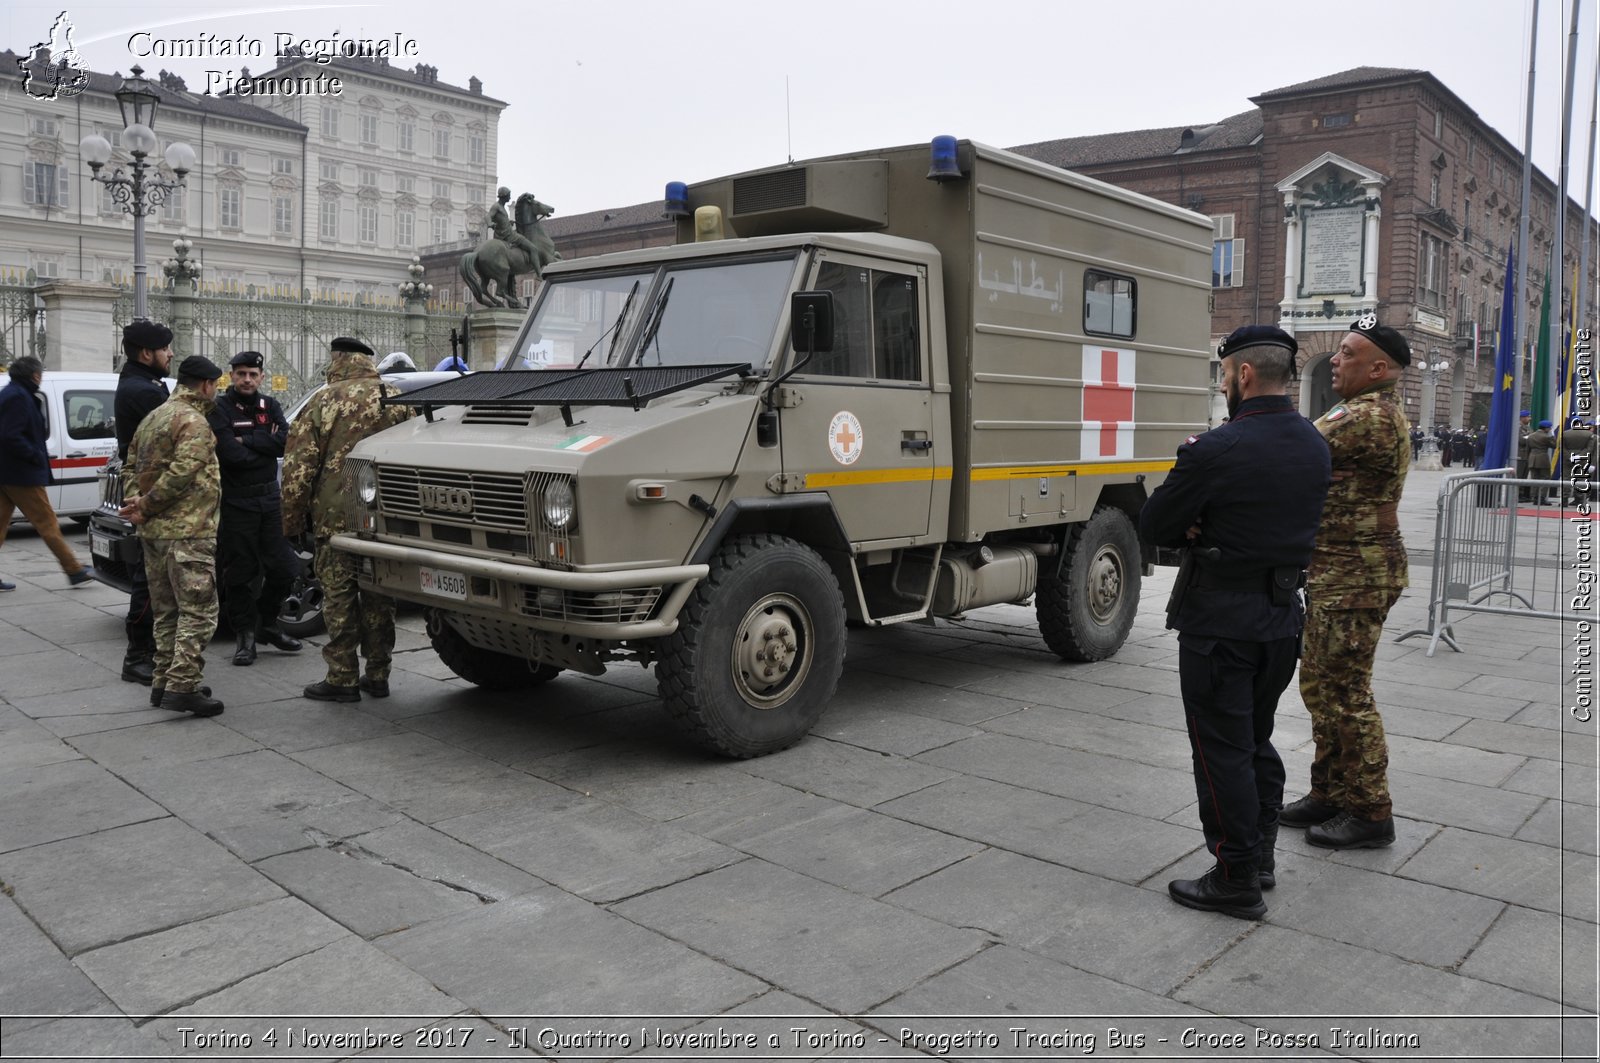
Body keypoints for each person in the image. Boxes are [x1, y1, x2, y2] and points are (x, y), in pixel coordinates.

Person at [1140, 326, 1331, 920]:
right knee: (1254, 740)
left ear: (1243, 375)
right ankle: (1262, 854)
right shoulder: (1313, 442)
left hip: (1222, 623)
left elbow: (1154, 525)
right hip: (1280, 618)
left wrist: (1196, 520)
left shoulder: (1216, 449)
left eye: (1223, 374)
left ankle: (1235, 875)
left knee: (1220, 748)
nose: (1223, 384)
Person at [1284, 314, 1411, 849]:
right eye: (1336, 352)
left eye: (1348, 354)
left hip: (1356, 575)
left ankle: (1370, 810)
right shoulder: (1359, 410)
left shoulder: (1367, 416)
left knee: (1345, 692)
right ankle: (1331, 792)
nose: (1335, 360)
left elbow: (1289, 452)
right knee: (1320, 687)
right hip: (1340, 570)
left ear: (1379, 367)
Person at [282, 337, 414, 702]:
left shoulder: (323, 401)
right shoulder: (396, 399)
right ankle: (378, 673)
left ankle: (342, 677)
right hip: (383, 519)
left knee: (339, 596)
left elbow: (298, 468)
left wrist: (291, 523)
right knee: (378, 595)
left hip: (335, 516)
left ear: (336, 360)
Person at [119, 355, 226, 717]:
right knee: (199, 611)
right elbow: (184, 472)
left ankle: (163, 680)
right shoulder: (193, 421)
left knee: (166, 612)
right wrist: (146, 504)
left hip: (155, 534)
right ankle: (183, 685)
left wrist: (138, 504)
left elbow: (130, 464)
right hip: (187, 531)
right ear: (207, 385)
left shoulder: (154, 416)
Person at [207, 350, 303, 665]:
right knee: (240, 574)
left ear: (261, 377)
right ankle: (245, 636)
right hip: (237, 502)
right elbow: (230, 456)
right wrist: (261, 442)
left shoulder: (270, 406)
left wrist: (245, 441)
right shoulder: (219, 409)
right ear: (231, 376)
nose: (247, 379)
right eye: (241, 374)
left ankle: (267, 623)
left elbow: (284, 443)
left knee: (286, 568)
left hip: (269, 500)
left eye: (252, 374)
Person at [0, 356, 95, 591]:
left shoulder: (11, 393)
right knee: (48, 523)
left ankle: (73, 568)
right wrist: (34, 455)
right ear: (35, 376)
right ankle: (74, 569)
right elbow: (10, 435)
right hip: (20, 474)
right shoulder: (18, 397)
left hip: (7, 472)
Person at [114, 320, 175, 684]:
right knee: (150, 578)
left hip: (148, 488)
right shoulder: (144, 391)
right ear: (146, 353)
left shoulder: (142, 383)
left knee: (155, 576)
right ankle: (138, 656)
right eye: (165, 348)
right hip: (150, 492)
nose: (170, 354)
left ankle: (151, 652)